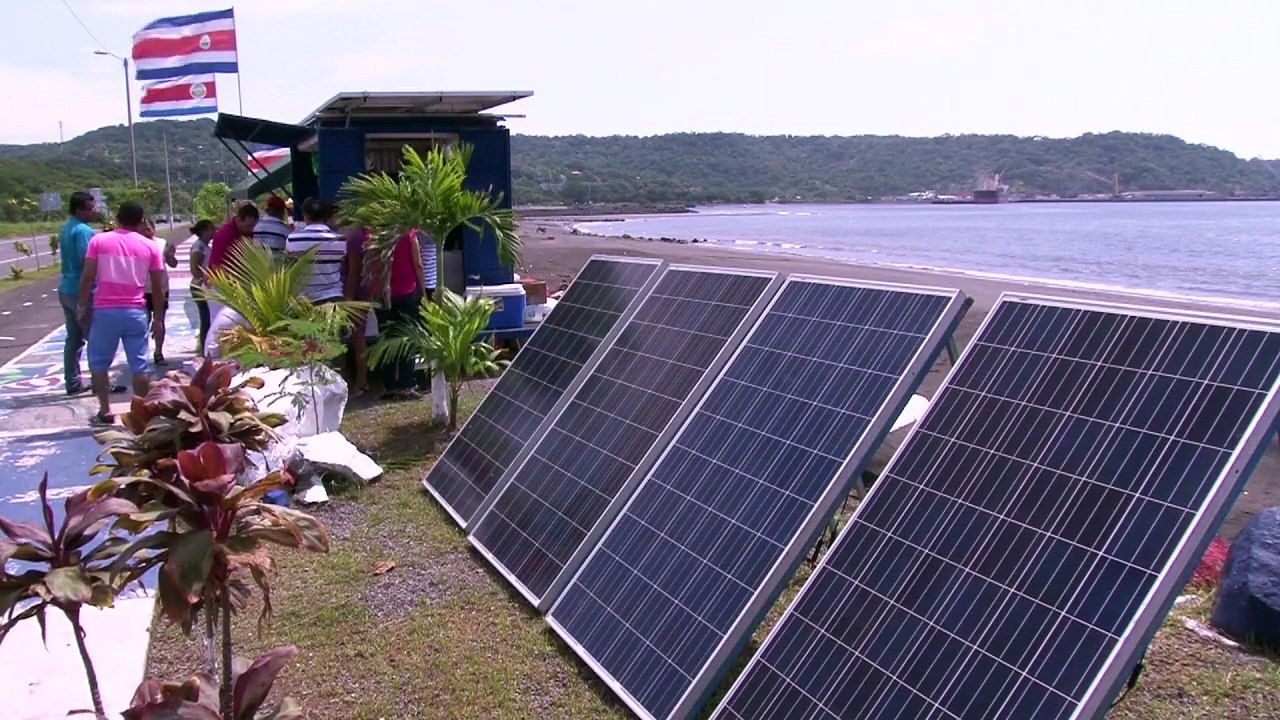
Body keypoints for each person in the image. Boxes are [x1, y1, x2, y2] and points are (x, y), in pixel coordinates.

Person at [76, 201, 164, 426]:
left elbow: (87, 277)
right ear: (141, 220)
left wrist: (82, 305)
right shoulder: (150, 246)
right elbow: (157, 286)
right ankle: (142, 412)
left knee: (99, 363)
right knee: (139, 364)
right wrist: (159, 319)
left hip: (105, 311)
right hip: (136, 310)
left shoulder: (99, 241)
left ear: (117, 218)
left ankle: (105, 410)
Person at [375, 228, 425, 400]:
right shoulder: (409, 233)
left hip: (382, 294)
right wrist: (424, 290)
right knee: (407, 338)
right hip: (407, 292)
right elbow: (417, 263)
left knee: (386, 339)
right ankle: (406, 384)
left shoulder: (376, 234)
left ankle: (389, 386)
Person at [57, 191, 98, 396]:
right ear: (79, 209)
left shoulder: (67, 228)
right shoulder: (82, 230)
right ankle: (100, 382)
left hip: (65, 286)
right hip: (81, 289)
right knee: (95, 337)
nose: (94, 212)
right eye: (90, 209)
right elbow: (86, 261)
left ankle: (72, 382)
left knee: (73, 338)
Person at [284, 198, 347, 304]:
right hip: (333, 298)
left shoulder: (292, 239)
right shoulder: (340, 240)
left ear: (305, 215)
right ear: (326, 216)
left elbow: (288, 266)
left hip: (304, 301)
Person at [141, 219, 178, 365]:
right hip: (142, 289)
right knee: (142, 323)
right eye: (143, 229)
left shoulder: (162, 243)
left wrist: (170, 256)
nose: (146, 232)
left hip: (161, 288)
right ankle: (142, 354)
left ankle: (158, 352)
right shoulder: (136, 243)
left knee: (159, 321)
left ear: (154, 229)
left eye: (149, 229)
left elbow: (173, 264)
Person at [187, 220, 217, 355]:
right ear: (204, 231)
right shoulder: (198, 247)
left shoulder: (204, 246)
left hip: (204, 285)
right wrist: (204, 279)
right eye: (211, 229)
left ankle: (205, 347)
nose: (214, 232)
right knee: (205, 318)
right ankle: (204, 350)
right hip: (200, 287)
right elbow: (194, 268)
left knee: (207, 317)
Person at [208, 203, 259, 274]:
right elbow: (216, 265)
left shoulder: (248, 233)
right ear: (238, 220)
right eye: (248, 226)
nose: (251, 229)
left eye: (253, 226)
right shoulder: (224, 234)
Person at [252, 195, 291, 260]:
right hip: (276, 267)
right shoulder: (284, 229)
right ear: (281, 211)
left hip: (256, 265)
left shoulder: (256, 225)